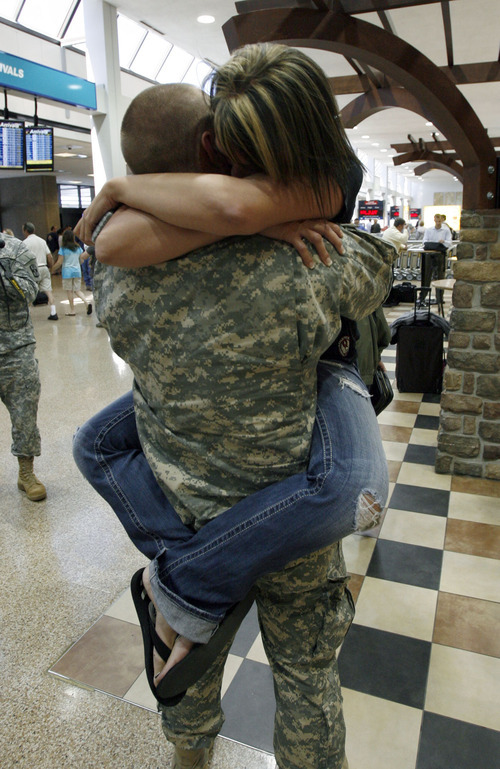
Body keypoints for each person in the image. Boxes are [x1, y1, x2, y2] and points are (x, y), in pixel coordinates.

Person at [75, 46, 392, 769]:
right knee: (307, 677)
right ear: (216, 146)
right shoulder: (312, 256)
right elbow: (374, 272)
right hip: (292, 522)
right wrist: (264, 218)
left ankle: (190, 749)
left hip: (187, 509)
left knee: (187, 667)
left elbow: (113, 242)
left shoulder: (120, 276)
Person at [0, 231, 46, 501]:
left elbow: (29, 292)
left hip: (15, 349)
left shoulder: (14, 250)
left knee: (25, 414)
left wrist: (3, 272)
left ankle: (26, 472)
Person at [51, 229, 92, 316]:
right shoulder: (78, 248)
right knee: (77, 290)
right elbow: (81, 260)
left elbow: (59, 262)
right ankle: (86, 303)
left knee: (69, 291)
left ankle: (72, 310)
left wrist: (52, 269)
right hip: (77, 271)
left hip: (67, 272)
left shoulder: (63, 249)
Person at [22, 222, 58, 320]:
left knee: (30, 292)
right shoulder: (42, 241)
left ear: (25, 231)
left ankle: (27, 316)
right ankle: (53, 312)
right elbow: (49, 256)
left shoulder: (25, 243)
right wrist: (51, 268)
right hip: (44, 267)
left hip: (32, 269)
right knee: (48, 291)